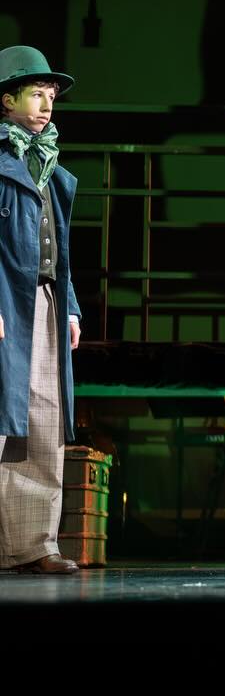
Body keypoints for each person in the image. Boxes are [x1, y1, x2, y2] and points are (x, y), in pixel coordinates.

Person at [0, 45, 84, 575]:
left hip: (43, 299)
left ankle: (34, 544)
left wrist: (69, 307)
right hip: (6, 300)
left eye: (51, 95)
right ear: (7, 101)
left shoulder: (49, 167)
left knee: (43, 418)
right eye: (36, 94)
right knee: (2, 420)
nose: (47, 104)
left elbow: (61, 249)